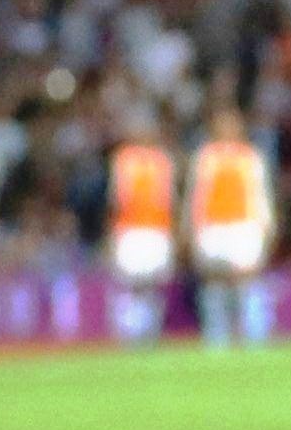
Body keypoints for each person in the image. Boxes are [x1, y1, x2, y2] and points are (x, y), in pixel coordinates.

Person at [188, 106, 275, 347]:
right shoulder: (205, 157)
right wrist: (193, 228)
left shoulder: (250, 156)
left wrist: (267, 224)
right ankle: (216, 336)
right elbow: (197, 196)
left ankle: (255, 334)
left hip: (244, 225)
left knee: (247, 279)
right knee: (214, 281)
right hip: (213, 226)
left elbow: (260, 193)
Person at [105, 120, 178, 344]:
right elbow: (115, 200)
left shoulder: (163, 160)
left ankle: (151, 333)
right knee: (131, 284)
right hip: (130, 229)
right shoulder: (123, 160)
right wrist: (112, 233)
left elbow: (169, 200)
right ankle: (128, 334)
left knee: (152, 284)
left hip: (157, 229)